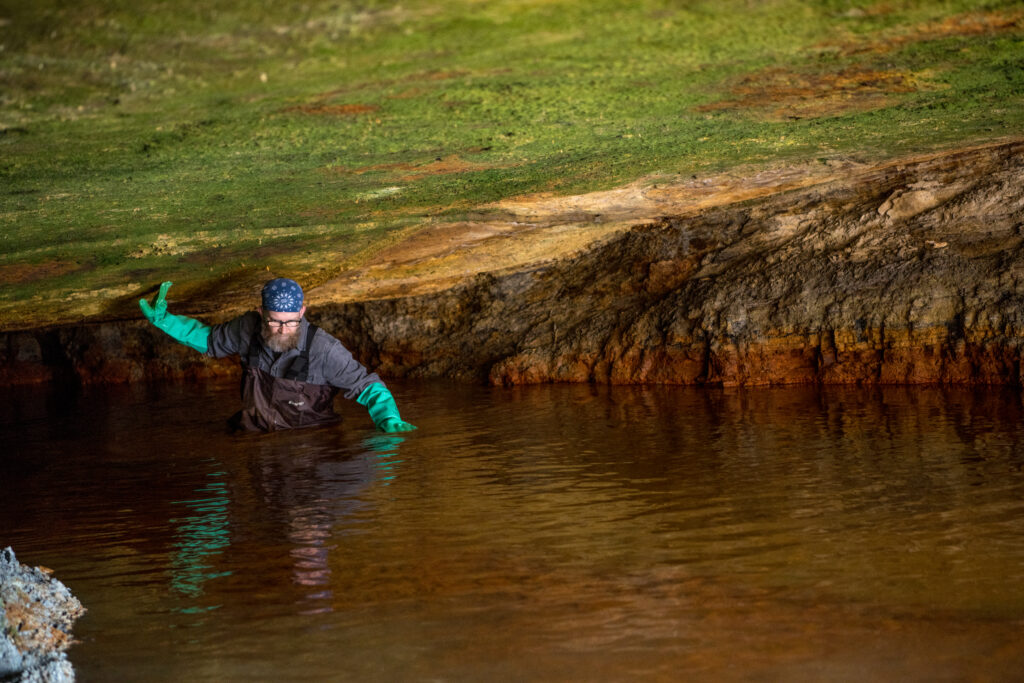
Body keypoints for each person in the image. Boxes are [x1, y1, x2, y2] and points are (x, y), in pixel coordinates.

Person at [139, 278, 416, 433]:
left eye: (291, 322)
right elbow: (209, 339)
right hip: (255, 432)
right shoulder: (247, 328)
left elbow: (368, 386)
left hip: (311, 440)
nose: (283, 330)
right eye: (274, 322)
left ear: (302, 313)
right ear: (260, 313)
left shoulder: (325, 349)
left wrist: (388, 419)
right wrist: (166, 321)